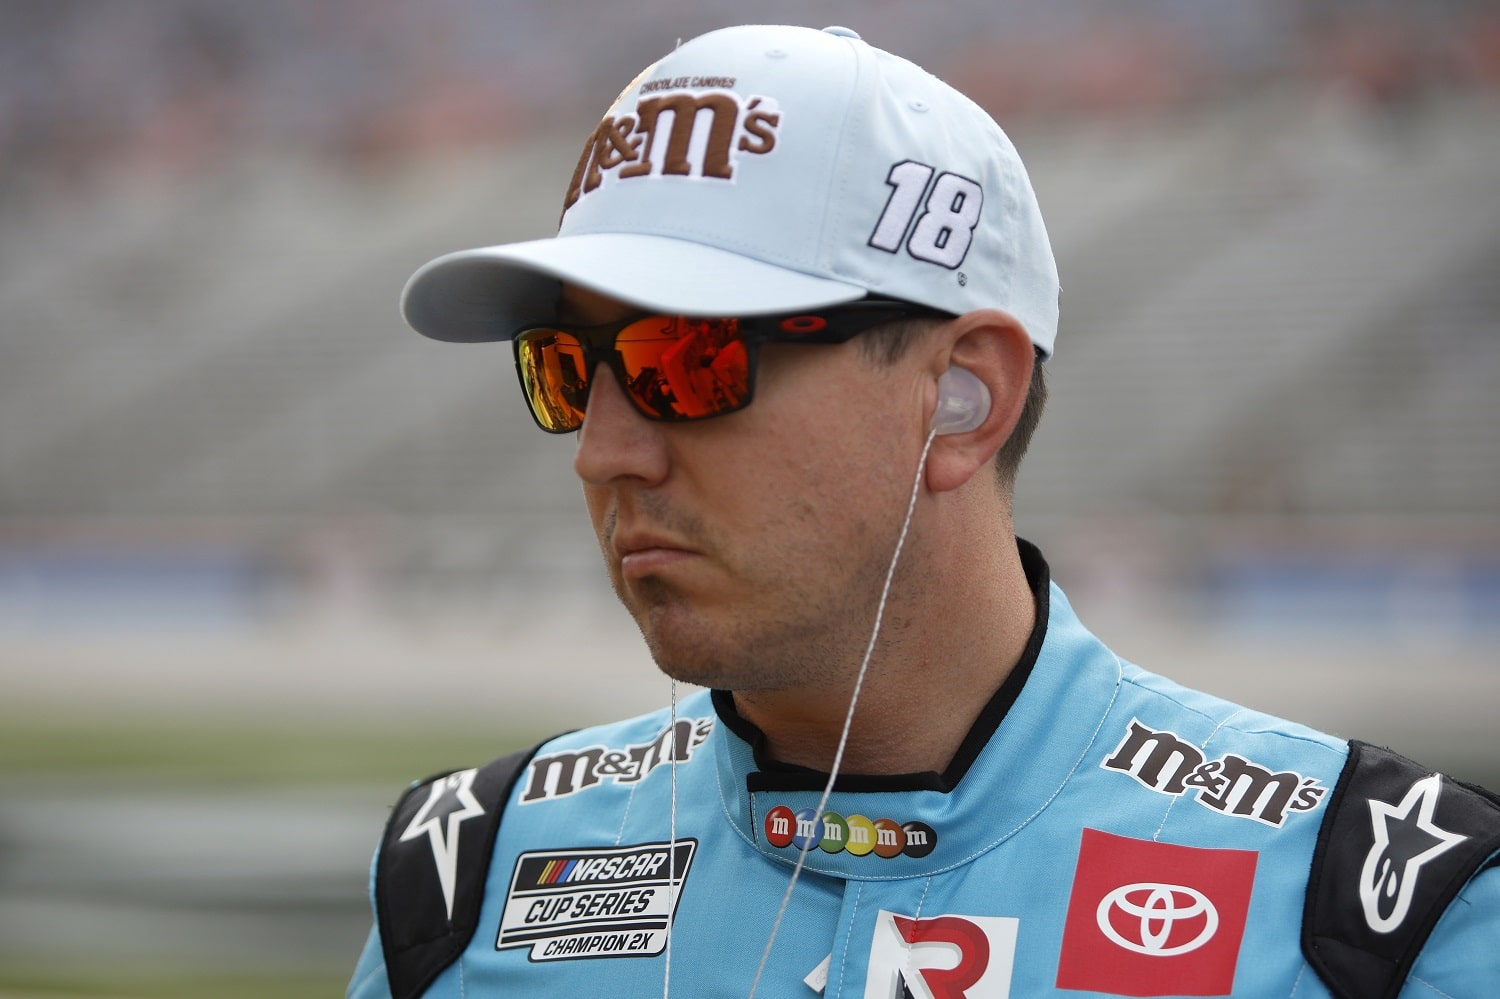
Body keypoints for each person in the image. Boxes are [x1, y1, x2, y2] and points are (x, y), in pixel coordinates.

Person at [348, 24, 1500, 999]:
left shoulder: (1370, 912)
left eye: (687, 360)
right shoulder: (467, 881)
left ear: (964, 398)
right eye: (564, 367)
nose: (603, 452)